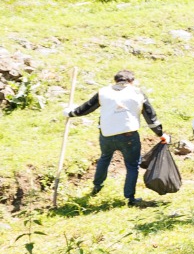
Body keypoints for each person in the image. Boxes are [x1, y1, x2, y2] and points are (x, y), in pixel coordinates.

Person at [65, 68, 166, 207]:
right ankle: (129, 198)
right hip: (128, 135)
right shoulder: (137, 93)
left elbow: (87, 108)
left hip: (107, 135)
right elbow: (151, 117)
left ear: (115, 80)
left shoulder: (104, 92)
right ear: (132, 81)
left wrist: (71, 113)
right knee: (131, 166)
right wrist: (161, 134)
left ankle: (97, 186)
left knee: (105, 158)